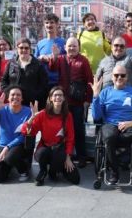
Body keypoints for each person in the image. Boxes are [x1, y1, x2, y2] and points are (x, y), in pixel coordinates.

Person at [91, 65, 132, 184]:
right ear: (112, 77)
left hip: (130, 126)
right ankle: (114, 171)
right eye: (116, 75)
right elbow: (96, 116)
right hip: (110, 125)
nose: (119, 77)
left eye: (123, 75)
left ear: (127, 77)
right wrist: (96, 96)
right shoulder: (105, 92)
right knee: (109, 137)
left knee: (120, 139)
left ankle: (125, 163)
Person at [22, 86, 80, 186]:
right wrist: (31, 120)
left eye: (60, 95)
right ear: (50, 98)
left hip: (59, 149)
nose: (58, 97)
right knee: (42, 153)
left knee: (76, 179)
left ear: (64, 98)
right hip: (45, 148)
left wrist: (68, 157)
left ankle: (54, 170)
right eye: (55, 95)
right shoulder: (42, 114)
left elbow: (71, 138)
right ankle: (43, 170)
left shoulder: (68, 115)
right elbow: (27, 132)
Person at [49, 37, 93, 168]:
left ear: (79, 47)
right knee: (63, 130)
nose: (71, 48)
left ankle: (82, 157)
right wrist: (54, 56)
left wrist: (87, 100)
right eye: (69, 46)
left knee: (79, 130)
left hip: (78, 102)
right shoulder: (61, 59)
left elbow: (89, 81)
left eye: (74, 46)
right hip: (62, 102)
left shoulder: (83, 61)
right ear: (65, 47)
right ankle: (65, 155)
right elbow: (52, 67)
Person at [0, 85, 32, 183]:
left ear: (22, 98)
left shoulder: (28, 112)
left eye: (18, 95)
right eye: (12, 95)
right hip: (2, 145)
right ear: (8, 98)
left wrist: (8, 147)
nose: (15, 97)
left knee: (10, 157)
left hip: (19, 145)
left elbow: (24, 135)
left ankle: (24, 170)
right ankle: (10, 165)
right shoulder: (2, 109)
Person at [1, 38, 48, 108]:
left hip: (31, 105)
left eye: (26, 48)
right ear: (17, 49)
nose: (24, 50)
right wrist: (10, 94)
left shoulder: (38, 65)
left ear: (30, 50)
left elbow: (44, 84)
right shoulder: (11, 64)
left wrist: (34, 96)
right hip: (14, 103)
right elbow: (4, 81)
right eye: (21, 48)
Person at [35, 13, 66, 90]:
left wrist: (54, 57)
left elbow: (68, 60)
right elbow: (34, 60)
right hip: (43, 81)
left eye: (52, 22)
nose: (49, 25)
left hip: (58, 82)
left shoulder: (63, 42)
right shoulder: (40, 43)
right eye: (47, 23)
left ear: (57, 24)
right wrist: (41, 57)